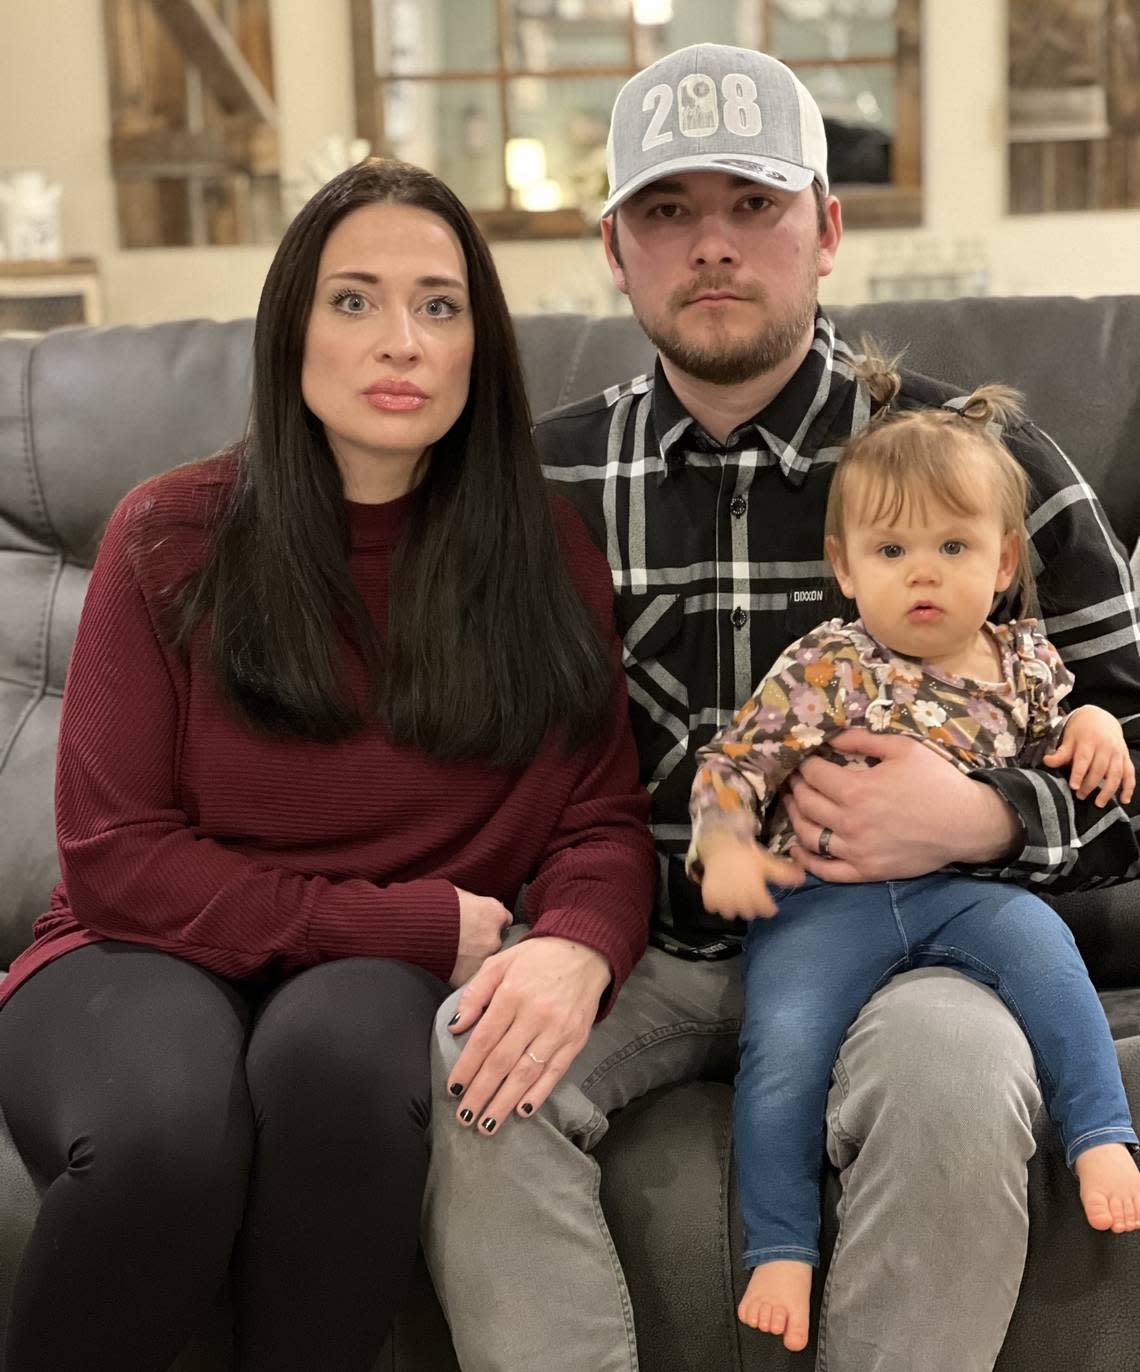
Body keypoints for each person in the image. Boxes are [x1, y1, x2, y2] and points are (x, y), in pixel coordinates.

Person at [423, 43, 1140, 1372]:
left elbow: (1127, 730)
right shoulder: (536, 483)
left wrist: (984, 818)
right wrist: (565, 927)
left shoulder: (980, 466)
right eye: (668, 211)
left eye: (752, 205)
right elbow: (467, 766)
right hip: (642, 949)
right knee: (478, 1054)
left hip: (917, 950)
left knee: (960, 1075)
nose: (713, 246)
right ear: (615, 249)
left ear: (826, 228)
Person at [0, 158, 655, 1372]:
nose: (399, 340)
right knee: (163, 1135)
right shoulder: (169, 532)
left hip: (366, 989)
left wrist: (579, 942)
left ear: (479, 345)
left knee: (344, 1057)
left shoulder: (543, 549)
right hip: (136, 953)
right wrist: (409, 922)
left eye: (439, 305)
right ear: (290, 329)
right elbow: (115, 864)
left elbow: (602, 820)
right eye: (353, 300)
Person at [689, 380, 1140, 1353]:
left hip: (967, 892)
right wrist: (724, 840)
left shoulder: (1021, 661)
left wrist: (1098, 725)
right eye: (892, 552)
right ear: (845, 569)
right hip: (821, 903)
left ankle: (1104, 1134)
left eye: (953, 548)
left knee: (1051, 958)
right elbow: (738, 760)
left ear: (1005, 560)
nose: (923, 575)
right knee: (785, 1047)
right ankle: (780, 1246)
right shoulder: (828, 665)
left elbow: (1069, 727)